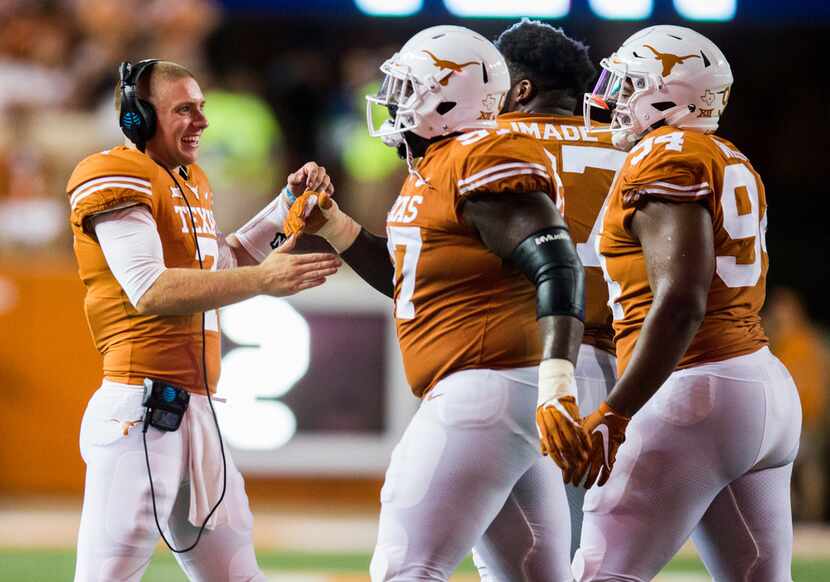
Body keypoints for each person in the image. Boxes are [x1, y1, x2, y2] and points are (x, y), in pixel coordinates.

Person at [285, 25, 589, 582]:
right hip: (497, 394)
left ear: (450, 97)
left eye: (408, 86)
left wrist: (560, 377)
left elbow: (558, 262)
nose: (393, 99)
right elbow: (411, 282)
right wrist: (335, 227)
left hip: (484, 390)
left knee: (407, 568)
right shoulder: (439, 163)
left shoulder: (481, 155)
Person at [67, 59, 340, 581]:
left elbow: (225, 263)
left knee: (237, 572)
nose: (202, 121)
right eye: (184, 109)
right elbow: (149, 288)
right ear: (137, 118)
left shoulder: (192, 181)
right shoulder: (113, 172)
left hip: (196, 410)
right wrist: (266, 282)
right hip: (141, 408)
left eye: (202, 107)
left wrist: (287, 206)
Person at [567, 25, 802, 581]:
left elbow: (680, 302)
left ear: (668, 94)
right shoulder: (726, 154)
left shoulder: (664, 156)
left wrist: (616, 410)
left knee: (601, 573)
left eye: (628, 84)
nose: (614, 96)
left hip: (694, 389)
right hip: (759, 384)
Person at [483, 19, 625, 560]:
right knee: (592, 558)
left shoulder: (483, 144)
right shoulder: (633, 147)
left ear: (520, 89)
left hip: (515, 366)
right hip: (613, 369)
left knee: (517, 562)